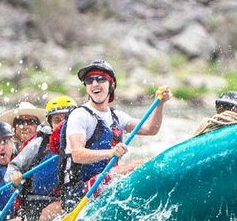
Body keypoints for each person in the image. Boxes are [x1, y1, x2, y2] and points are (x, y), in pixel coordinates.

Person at [59, 59, 172, 212]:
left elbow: (151, 129)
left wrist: (160, 104)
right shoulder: (79, 115)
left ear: (111, 85)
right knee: (138, 165)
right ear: (86, 87)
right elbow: (77, 154)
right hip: (78, 193)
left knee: (140, 167)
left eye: (100, 79)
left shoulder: (117, 117)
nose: (95, 84)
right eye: (89, 80)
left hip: (103, 183)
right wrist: (110, 152)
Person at [5, 95, 76, 221]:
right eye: (57, 120)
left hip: (68, 200)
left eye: (67, 119)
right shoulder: (40, 144)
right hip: (37, 206)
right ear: (50, 124)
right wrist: (14, 177)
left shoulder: (82, 142)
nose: (63, 124)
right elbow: (13, 167)